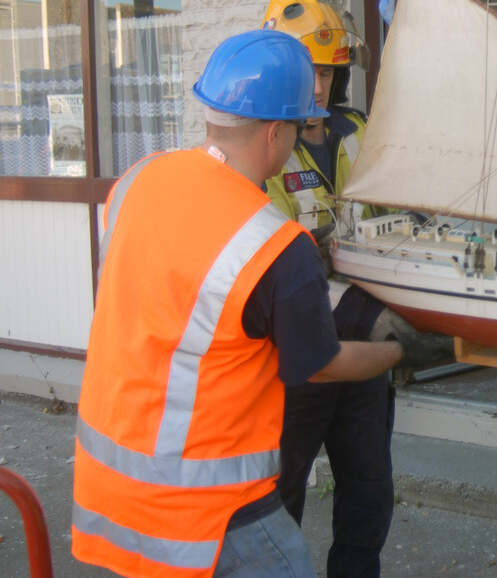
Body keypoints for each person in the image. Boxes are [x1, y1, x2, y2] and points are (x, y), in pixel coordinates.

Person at [71, 30, 449, 578]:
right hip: (207, 509)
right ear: (276, 133)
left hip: (108, 487)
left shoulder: (137, 180)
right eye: (298, 126)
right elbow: (320, 364)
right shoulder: (273, 243)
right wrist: (403, 351)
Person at [261, 0, 442, 578]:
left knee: (368, 485)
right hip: (300, 351)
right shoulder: (267, 149)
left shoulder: (358, 128)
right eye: (307, 72)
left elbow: (397, 202)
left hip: (363, 342)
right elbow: (278, 261)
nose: (317, 86)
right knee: (280, 492)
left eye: (327, 72)